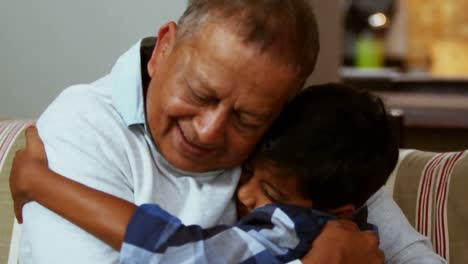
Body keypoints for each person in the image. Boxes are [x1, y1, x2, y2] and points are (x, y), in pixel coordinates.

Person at [14, 0, 444, 263]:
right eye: (199, 93)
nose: (208, 131)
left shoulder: (292, 149)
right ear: (163, 49)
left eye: (246, 120)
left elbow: (410, 256)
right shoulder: (82, 128)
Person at [12, 84, 394, 263]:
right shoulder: (342, 226)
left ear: (341, 211)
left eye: (272, 195)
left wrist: (41, 183)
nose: (244, 195)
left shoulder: (291, 231)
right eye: (247, 173)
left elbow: (173, 249)